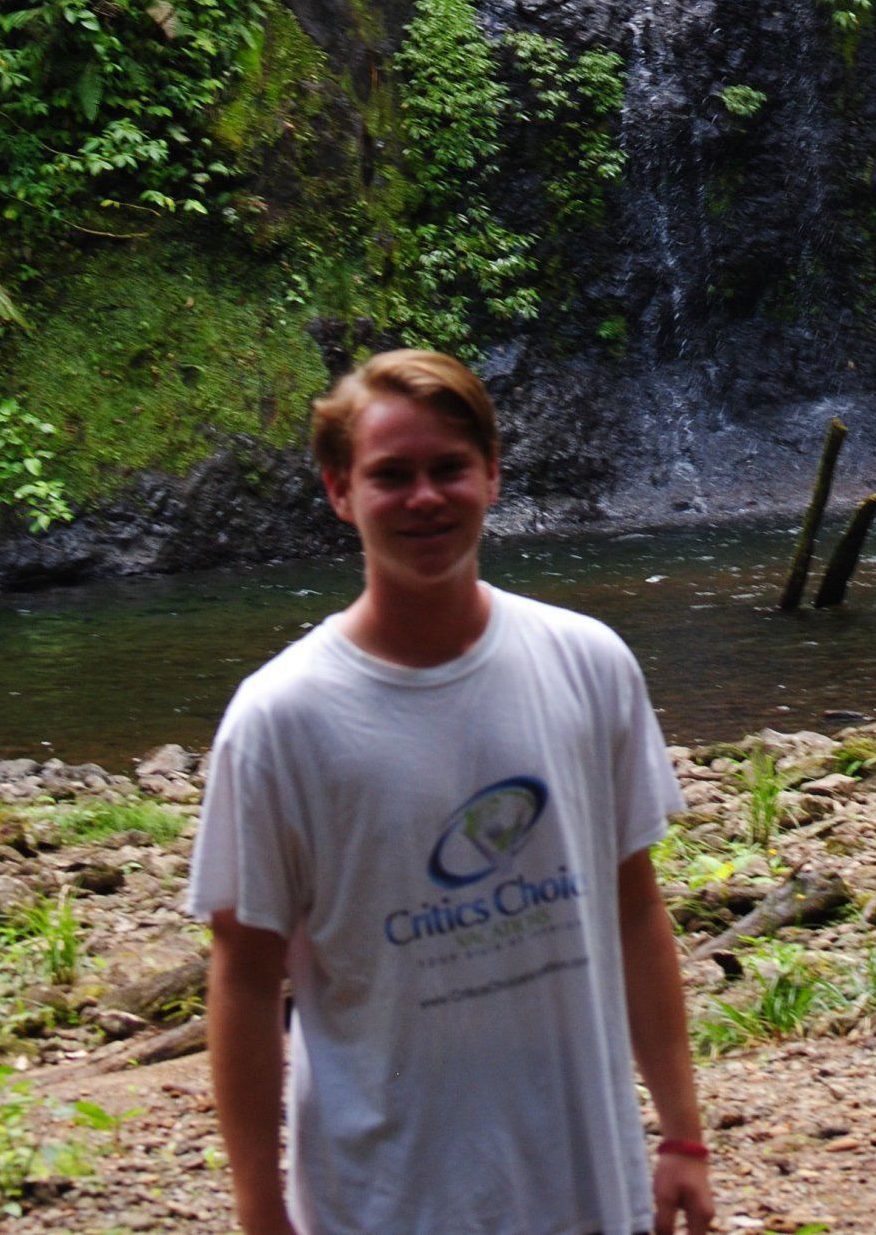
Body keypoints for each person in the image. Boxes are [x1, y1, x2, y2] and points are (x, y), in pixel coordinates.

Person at [189, 347, 714, 1235]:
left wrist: (683, 1137)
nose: (425, 498)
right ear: (339, 492)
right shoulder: (281, 719)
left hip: (590, 1181)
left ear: (493, 476)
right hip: (386, 1198)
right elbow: (243, 975)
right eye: (391, 475)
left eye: (449, 469)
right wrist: (257, 1208)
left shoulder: (588, 663)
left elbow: (634, 909)